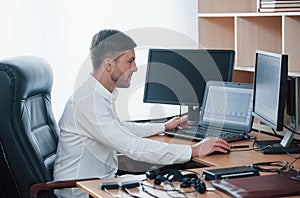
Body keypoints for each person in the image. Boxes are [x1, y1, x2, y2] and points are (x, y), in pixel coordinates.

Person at [53, 29, 230, 197]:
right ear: (109, 64)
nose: (135, 68)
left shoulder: (98, 95)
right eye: (130, 61)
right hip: (79, 191)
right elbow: (131, 146)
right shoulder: (87, 103)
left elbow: (120, 129)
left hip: (98, 182)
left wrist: (164, 126)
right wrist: (193, 150)